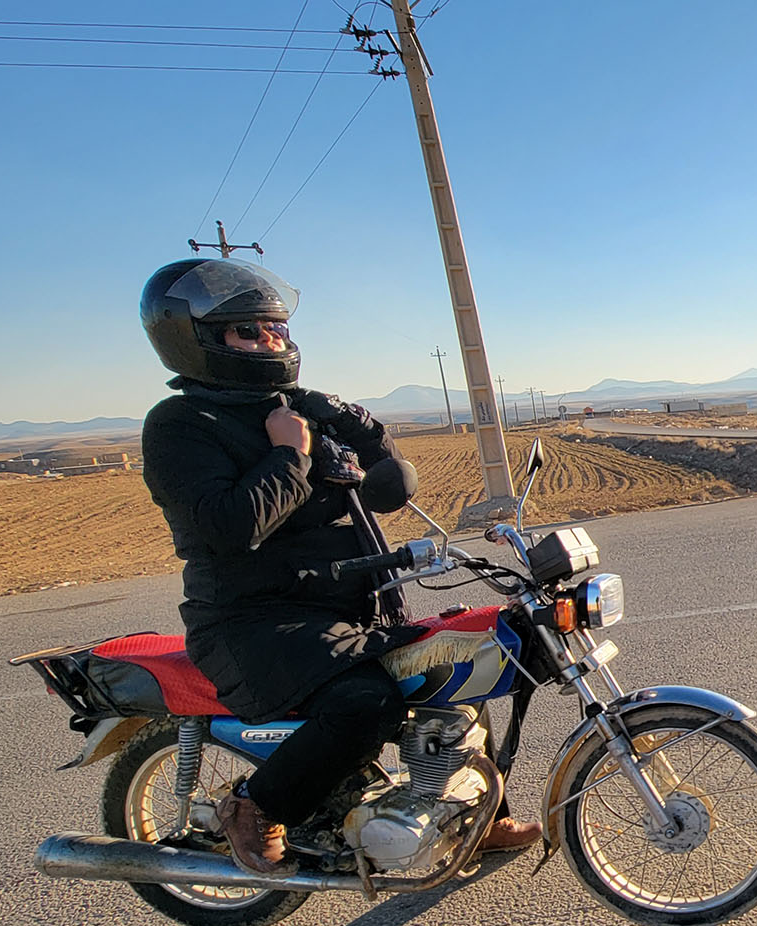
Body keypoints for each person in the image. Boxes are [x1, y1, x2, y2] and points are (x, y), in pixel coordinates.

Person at [138, 258, 540, 874]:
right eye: (250, 332)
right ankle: (254, 806)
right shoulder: (182, 425)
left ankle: (473, 816)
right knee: (365, 703)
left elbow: (385, 491)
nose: (271, 342)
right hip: (255, 623)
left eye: (276, 330)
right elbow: (231, 526)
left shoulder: (294, 408)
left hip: (347, 609)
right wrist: (288, 454)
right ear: (194, 340)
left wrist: (372, 437)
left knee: (460, 665)